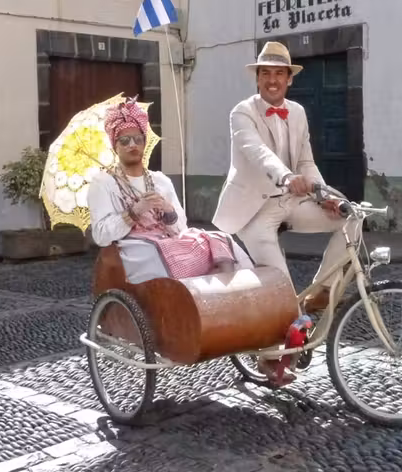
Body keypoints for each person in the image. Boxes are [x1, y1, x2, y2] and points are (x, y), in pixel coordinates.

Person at [213, 41, 360, 313]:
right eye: (266, 73)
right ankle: (274, 350)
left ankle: (323, 290)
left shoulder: (298, 112)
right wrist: (286, 176)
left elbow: (306, 161)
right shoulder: (242, 112)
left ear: (289, 79)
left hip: (291, 201)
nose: (272, 80)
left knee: (352, 217)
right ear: (257, 78)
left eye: (279, 73)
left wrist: (324, 196)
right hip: (254, 210)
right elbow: (257, 152)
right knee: (282, 295)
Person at [88, 97, 253, 284]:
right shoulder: (103, 183)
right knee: (161, 251)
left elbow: (180, 227)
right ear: (115, 146)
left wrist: (167, 209)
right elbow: (101, 235)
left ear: (144, 142)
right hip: (135, 248)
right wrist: (134, 212)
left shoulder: (160, 180)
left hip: (168, 240)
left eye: (138, 139)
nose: (132, 145)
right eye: (125, 140)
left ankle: (228, 289)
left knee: (220, 238)